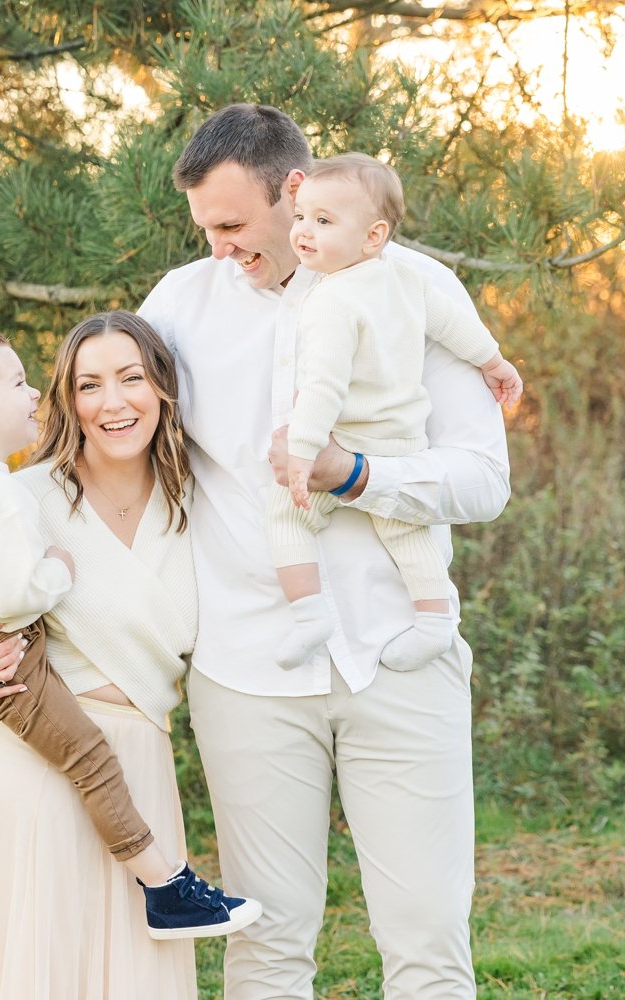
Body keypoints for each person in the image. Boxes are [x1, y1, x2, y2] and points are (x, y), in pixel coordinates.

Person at [138, 104, 511, 998]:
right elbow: (102, 457)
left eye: (233, 226)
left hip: (400, 657)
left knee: (427, 940)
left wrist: (357, 475)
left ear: (295, 191)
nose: (220, 248)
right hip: (248, 669)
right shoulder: (178, 307)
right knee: (265, 942)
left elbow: (482, 480)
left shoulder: (411, 290)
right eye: (205, 230)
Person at [0, 312, 256, 998]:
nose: (113, 402)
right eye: (89, 385)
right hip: (25, 760)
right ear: (67, 400)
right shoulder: (16, 495)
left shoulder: (203, 505)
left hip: (134, 766)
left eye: (132, 378)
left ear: (162, 390)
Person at [271, 152, 523, 673]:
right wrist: (495, 361)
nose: (303, 232)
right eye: (300, 217)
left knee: (286, 516)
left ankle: (309, 614)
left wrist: (302, 453)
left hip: (348, 441)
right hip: (403, 442)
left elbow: (322, 388)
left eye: (323, 221)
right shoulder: (405, 278)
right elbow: (453, 325)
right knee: (410, 536)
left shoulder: (329, 300)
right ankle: (435, 623)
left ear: (373, 236)